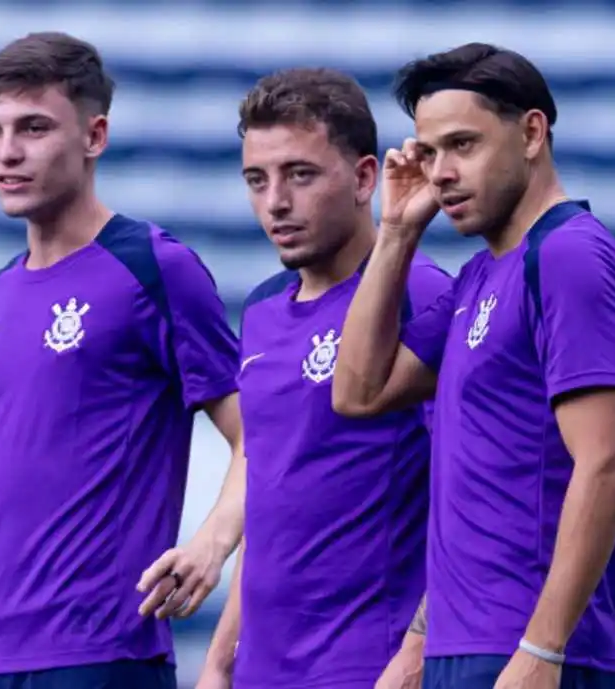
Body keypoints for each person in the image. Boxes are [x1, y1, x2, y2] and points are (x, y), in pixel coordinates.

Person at [0, 32, 246, 689]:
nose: (6, 152)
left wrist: (211, 542)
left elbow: (262, 434)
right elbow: (3, 507)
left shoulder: (154, 267)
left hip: (99, 655)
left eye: (33, 128)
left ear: (94, 136)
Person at [333, 43, 615, 689]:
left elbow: (608, 460)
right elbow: (358, 391)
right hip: (459, 645)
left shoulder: (567, 256)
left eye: (463, 145)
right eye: (428, 152)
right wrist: (394, 233)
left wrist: (544, 648)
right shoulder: (479, 276)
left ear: (531, 133)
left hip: (526, 650)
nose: (441, 172)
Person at [185, 68, 451, 689]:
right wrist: (221, 662)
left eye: (299, 175)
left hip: (368, 665)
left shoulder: (422, 297)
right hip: (262, 670)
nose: (275, 201)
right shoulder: (261, 309)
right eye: (258, 180)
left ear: (364, 179)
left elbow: (466, 500)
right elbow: (274, 495)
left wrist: (417, 651)